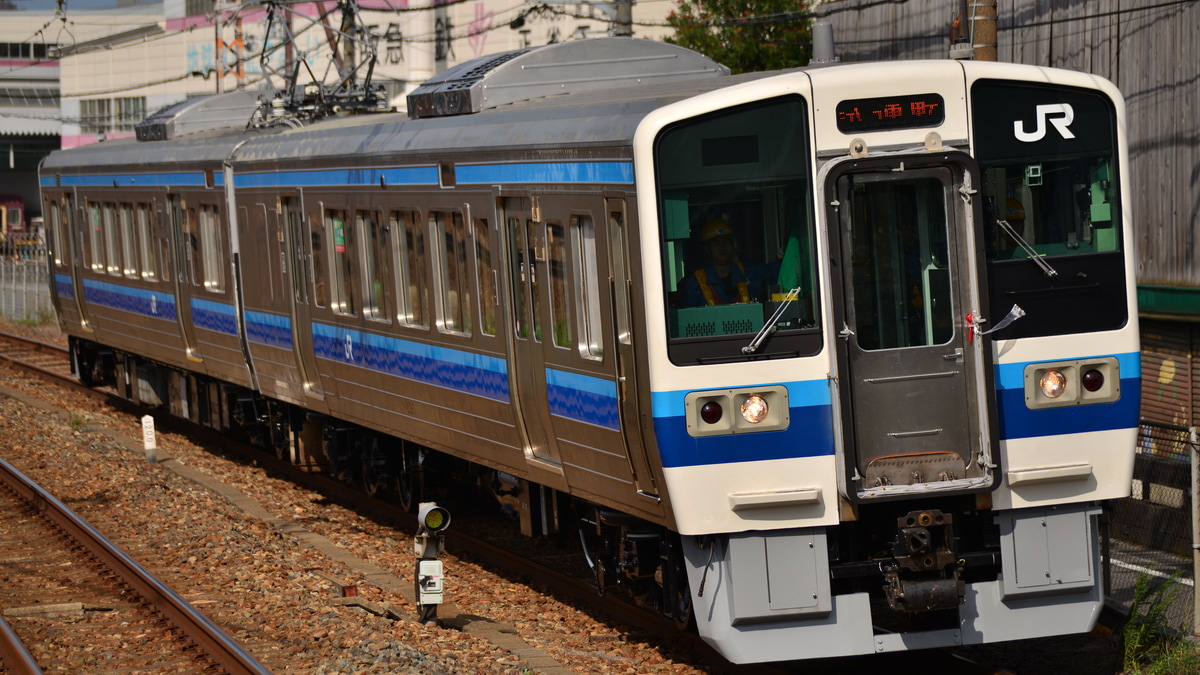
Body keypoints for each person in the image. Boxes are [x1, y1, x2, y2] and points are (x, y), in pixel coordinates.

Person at [684, 219, 777, 307]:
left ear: (733, 245)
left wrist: (782, 258)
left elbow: (776, 272)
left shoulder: (749, 271)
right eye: (716, 243)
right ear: (707, 249)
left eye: (726, 242)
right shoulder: (696, 281)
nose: (722, 248)